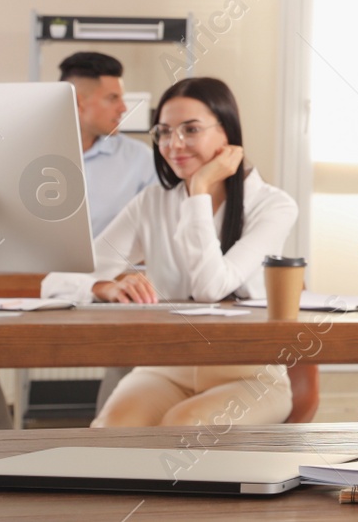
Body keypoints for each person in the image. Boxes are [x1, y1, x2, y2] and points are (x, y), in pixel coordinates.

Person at [42, 77, 298, 427]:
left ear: (228, 134)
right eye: (164, 132)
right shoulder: (152, 203)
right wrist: (101, 287)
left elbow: (211, 287)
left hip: (249, 376)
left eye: (190, 129)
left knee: (184, 425)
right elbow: (55, 281)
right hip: (165, 369)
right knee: (108, 434)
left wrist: (200, 191)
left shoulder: (273, 206)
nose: (173, 144)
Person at [0, 51, 157, 431]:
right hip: (33, 280)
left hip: (109, 287)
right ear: (78, 101)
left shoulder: (139, 160)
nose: (123, 107)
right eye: (113, 98)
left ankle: (102, 446)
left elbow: (154, 234)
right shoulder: (22, 153)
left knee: (134, 351)